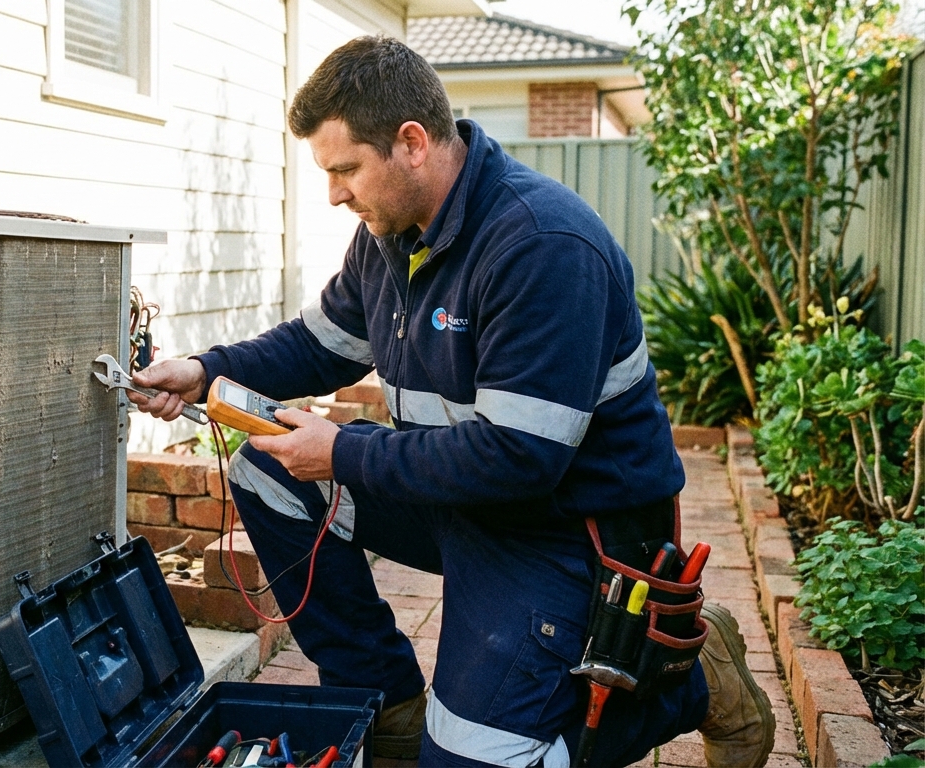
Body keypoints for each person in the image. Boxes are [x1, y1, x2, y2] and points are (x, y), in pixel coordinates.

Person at [131, 36, 775, 768]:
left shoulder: (542, 245)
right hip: (462, 501)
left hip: (567, 533)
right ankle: (388, 700)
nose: (334, 193)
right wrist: (203, 370)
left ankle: (691, 685)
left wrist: (342, 451)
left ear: (410, 143)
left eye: (345, 169)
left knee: (472, 760)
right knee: (266, 468)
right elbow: (318, 347)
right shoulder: (388, 236)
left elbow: (519, 459)